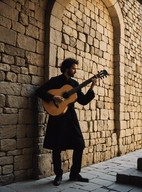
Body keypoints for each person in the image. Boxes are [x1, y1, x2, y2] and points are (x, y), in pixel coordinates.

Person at [36, 58, 97, 186]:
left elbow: (83, 101)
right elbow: (39, 91)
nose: (75, 70)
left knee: (79, 144)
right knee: (57, 147)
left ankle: (74, 173)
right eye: (74, 68)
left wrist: (92, 86)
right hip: (57, 116)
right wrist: (53, 97)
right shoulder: (55, 81)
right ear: (67, 68)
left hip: (70, 117)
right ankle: (58, 175)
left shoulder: (75, 84)